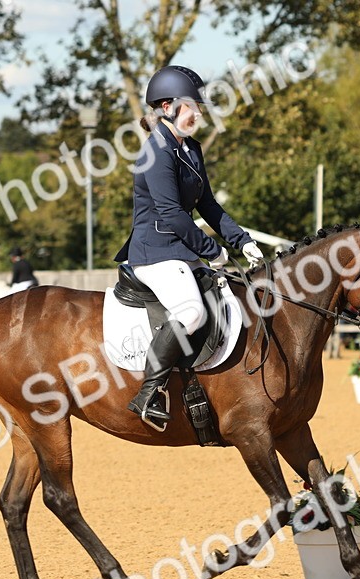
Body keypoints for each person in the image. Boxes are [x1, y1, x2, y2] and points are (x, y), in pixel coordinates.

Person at [113, 65, 265, 426]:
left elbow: (207, 205)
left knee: (232, 293)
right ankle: (148, 393)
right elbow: (169, 212)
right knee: (193, 312)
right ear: (167, 107)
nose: (199, 113)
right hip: (154, 251)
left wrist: (242, 240)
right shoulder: (156, 152)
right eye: (192, 106)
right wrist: (211, 250)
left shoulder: (190, 148)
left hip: (179, 250)